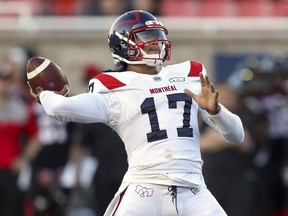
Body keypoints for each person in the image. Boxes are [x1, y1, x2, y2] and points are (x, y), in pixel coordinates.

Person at [29, 10, 244, 216]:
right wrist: (45, 93)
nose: (156, 41)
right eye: (147, 36)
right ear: (123, 44)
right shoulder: (113, 86)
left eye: (158, 35)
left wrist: (216, 112)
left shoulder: (189, 74)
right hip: (145, 187)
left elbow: (236, 135)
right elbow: (58, 108)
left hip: (193, 187)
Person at [0, 63, 41, 216]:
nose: (3, 84)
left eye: (7, 80)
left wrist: (24, 159)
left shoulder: (21, 109)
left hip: (11, 171)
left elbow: (37, 137)